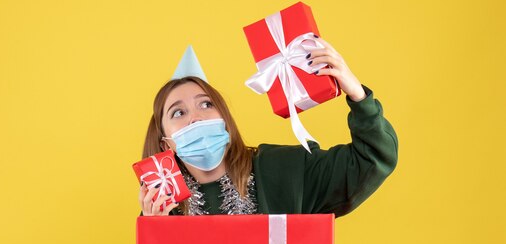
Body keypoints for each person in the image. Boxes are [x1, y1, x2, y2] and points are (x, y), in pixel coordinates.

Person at [139, 40, 398, 216]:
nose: (195, 118)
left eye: (206, 104)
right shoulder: (164, 206)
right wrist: (155, 233)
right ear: (166, 144)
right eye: (179, 112)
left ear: (225, 121)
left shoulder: (286, 170)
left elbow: (371, 159)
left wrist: (357, 95)